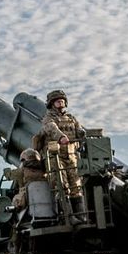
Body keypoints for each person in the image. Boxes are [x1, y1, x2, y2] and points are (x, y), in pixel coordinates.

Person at [39, 89, 86, 221]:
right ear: (51, 104)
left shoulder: (71, 118)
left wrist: (82, 133)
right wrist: (61, 137)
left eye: (62, 100)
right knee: (62, 186)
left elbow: (79, 130)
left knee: (76, 186)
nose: (61, 102)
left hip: (71, 156)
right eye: (57, 101)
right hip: (56, 157)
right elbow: (51, 128)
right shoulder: (48, 119)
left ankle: (80, 216)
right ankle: (69, 217)